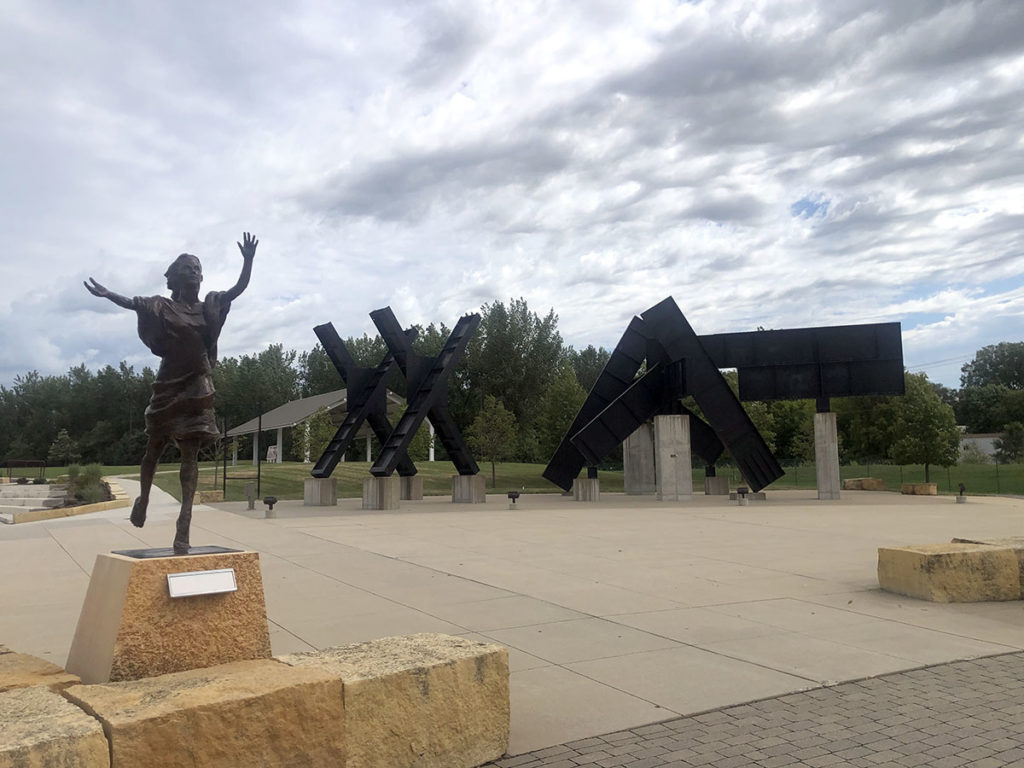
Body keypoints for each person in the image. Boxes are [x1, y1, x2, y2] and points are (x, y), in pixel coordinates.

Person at [84, 233, 257, 553]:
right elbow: (133, 302)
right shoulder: (161, 306)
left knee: (190, 455)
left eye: (198, 268)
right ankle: (144, 498)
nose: (194, 272)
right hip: (168, 385)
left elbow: (239, 288)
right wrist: (108, 294)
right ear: (176, 277)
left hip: (198, 385)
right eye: (188, 268)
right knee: (154, 447)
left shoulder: (212, 306)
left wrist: (248, 260)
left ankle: (184, 525)